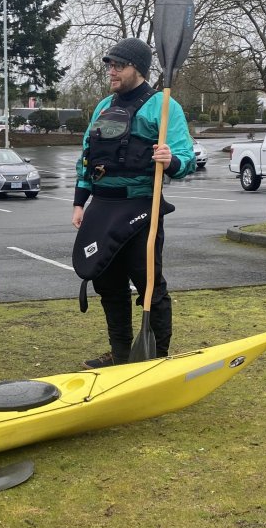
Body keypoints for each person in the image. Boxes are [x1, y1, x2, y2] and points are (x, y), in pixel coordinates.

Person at [70, 38, 195, 369]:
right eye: (109, 65)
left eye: (118, 66)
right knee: (106, 281)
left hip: (142, 206)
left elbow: (186, 158)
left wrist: (170, 160)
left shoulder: (164, 107)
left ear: (136, 69)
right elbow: (86, 156)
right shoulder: (102, 107)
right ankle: (122, 353)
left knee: (148, 282)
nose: (111, 71)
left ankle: (157, 358)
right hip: (103, 205)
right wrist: (80, 201)